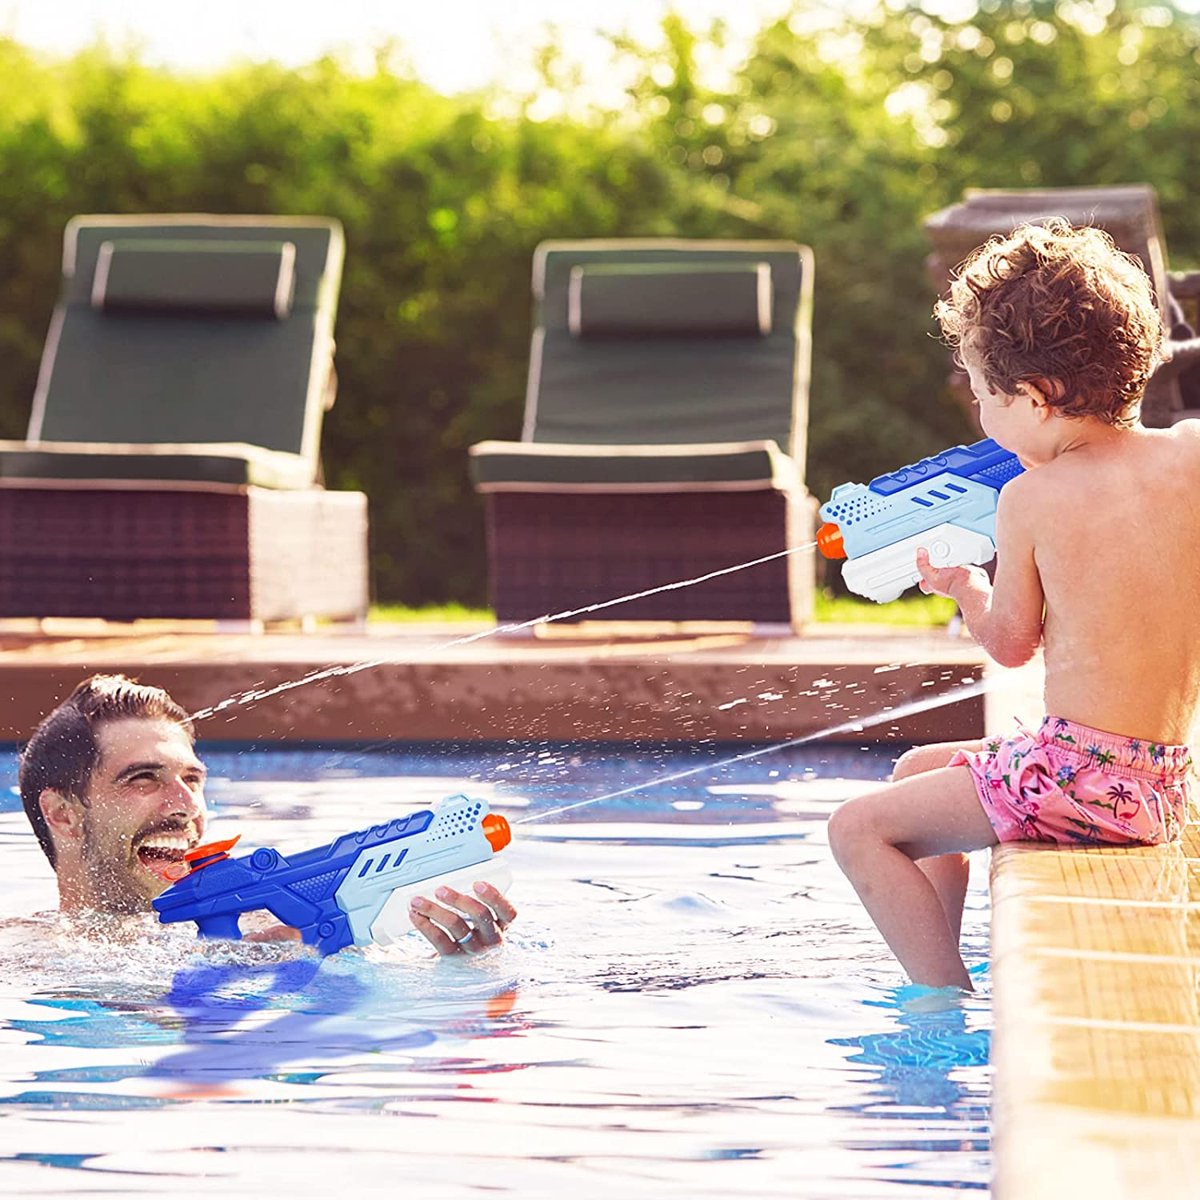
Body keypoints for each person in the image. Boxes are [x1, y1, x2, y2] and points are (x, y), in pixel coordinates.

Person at [828, 219, 1199, 990]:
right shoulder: (1190, 455)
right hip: (1159, 783)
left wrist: (966, 587)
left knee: (858, 829)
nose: (983, 415)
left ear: (1033, 398)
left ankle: (939, 996)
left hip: (1076, 780)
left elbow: (1010, 644)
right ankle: (948, 951)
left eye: (984, 395)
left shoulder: (1030, 499)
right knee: (916, 771)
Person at [19, 673, 516, 956]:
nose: (185, 805)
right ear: (63, 814)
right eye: (142, 779)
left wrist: (465, 965)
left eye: (192, 780)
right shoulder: (25, 960)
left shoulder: (278, 925)